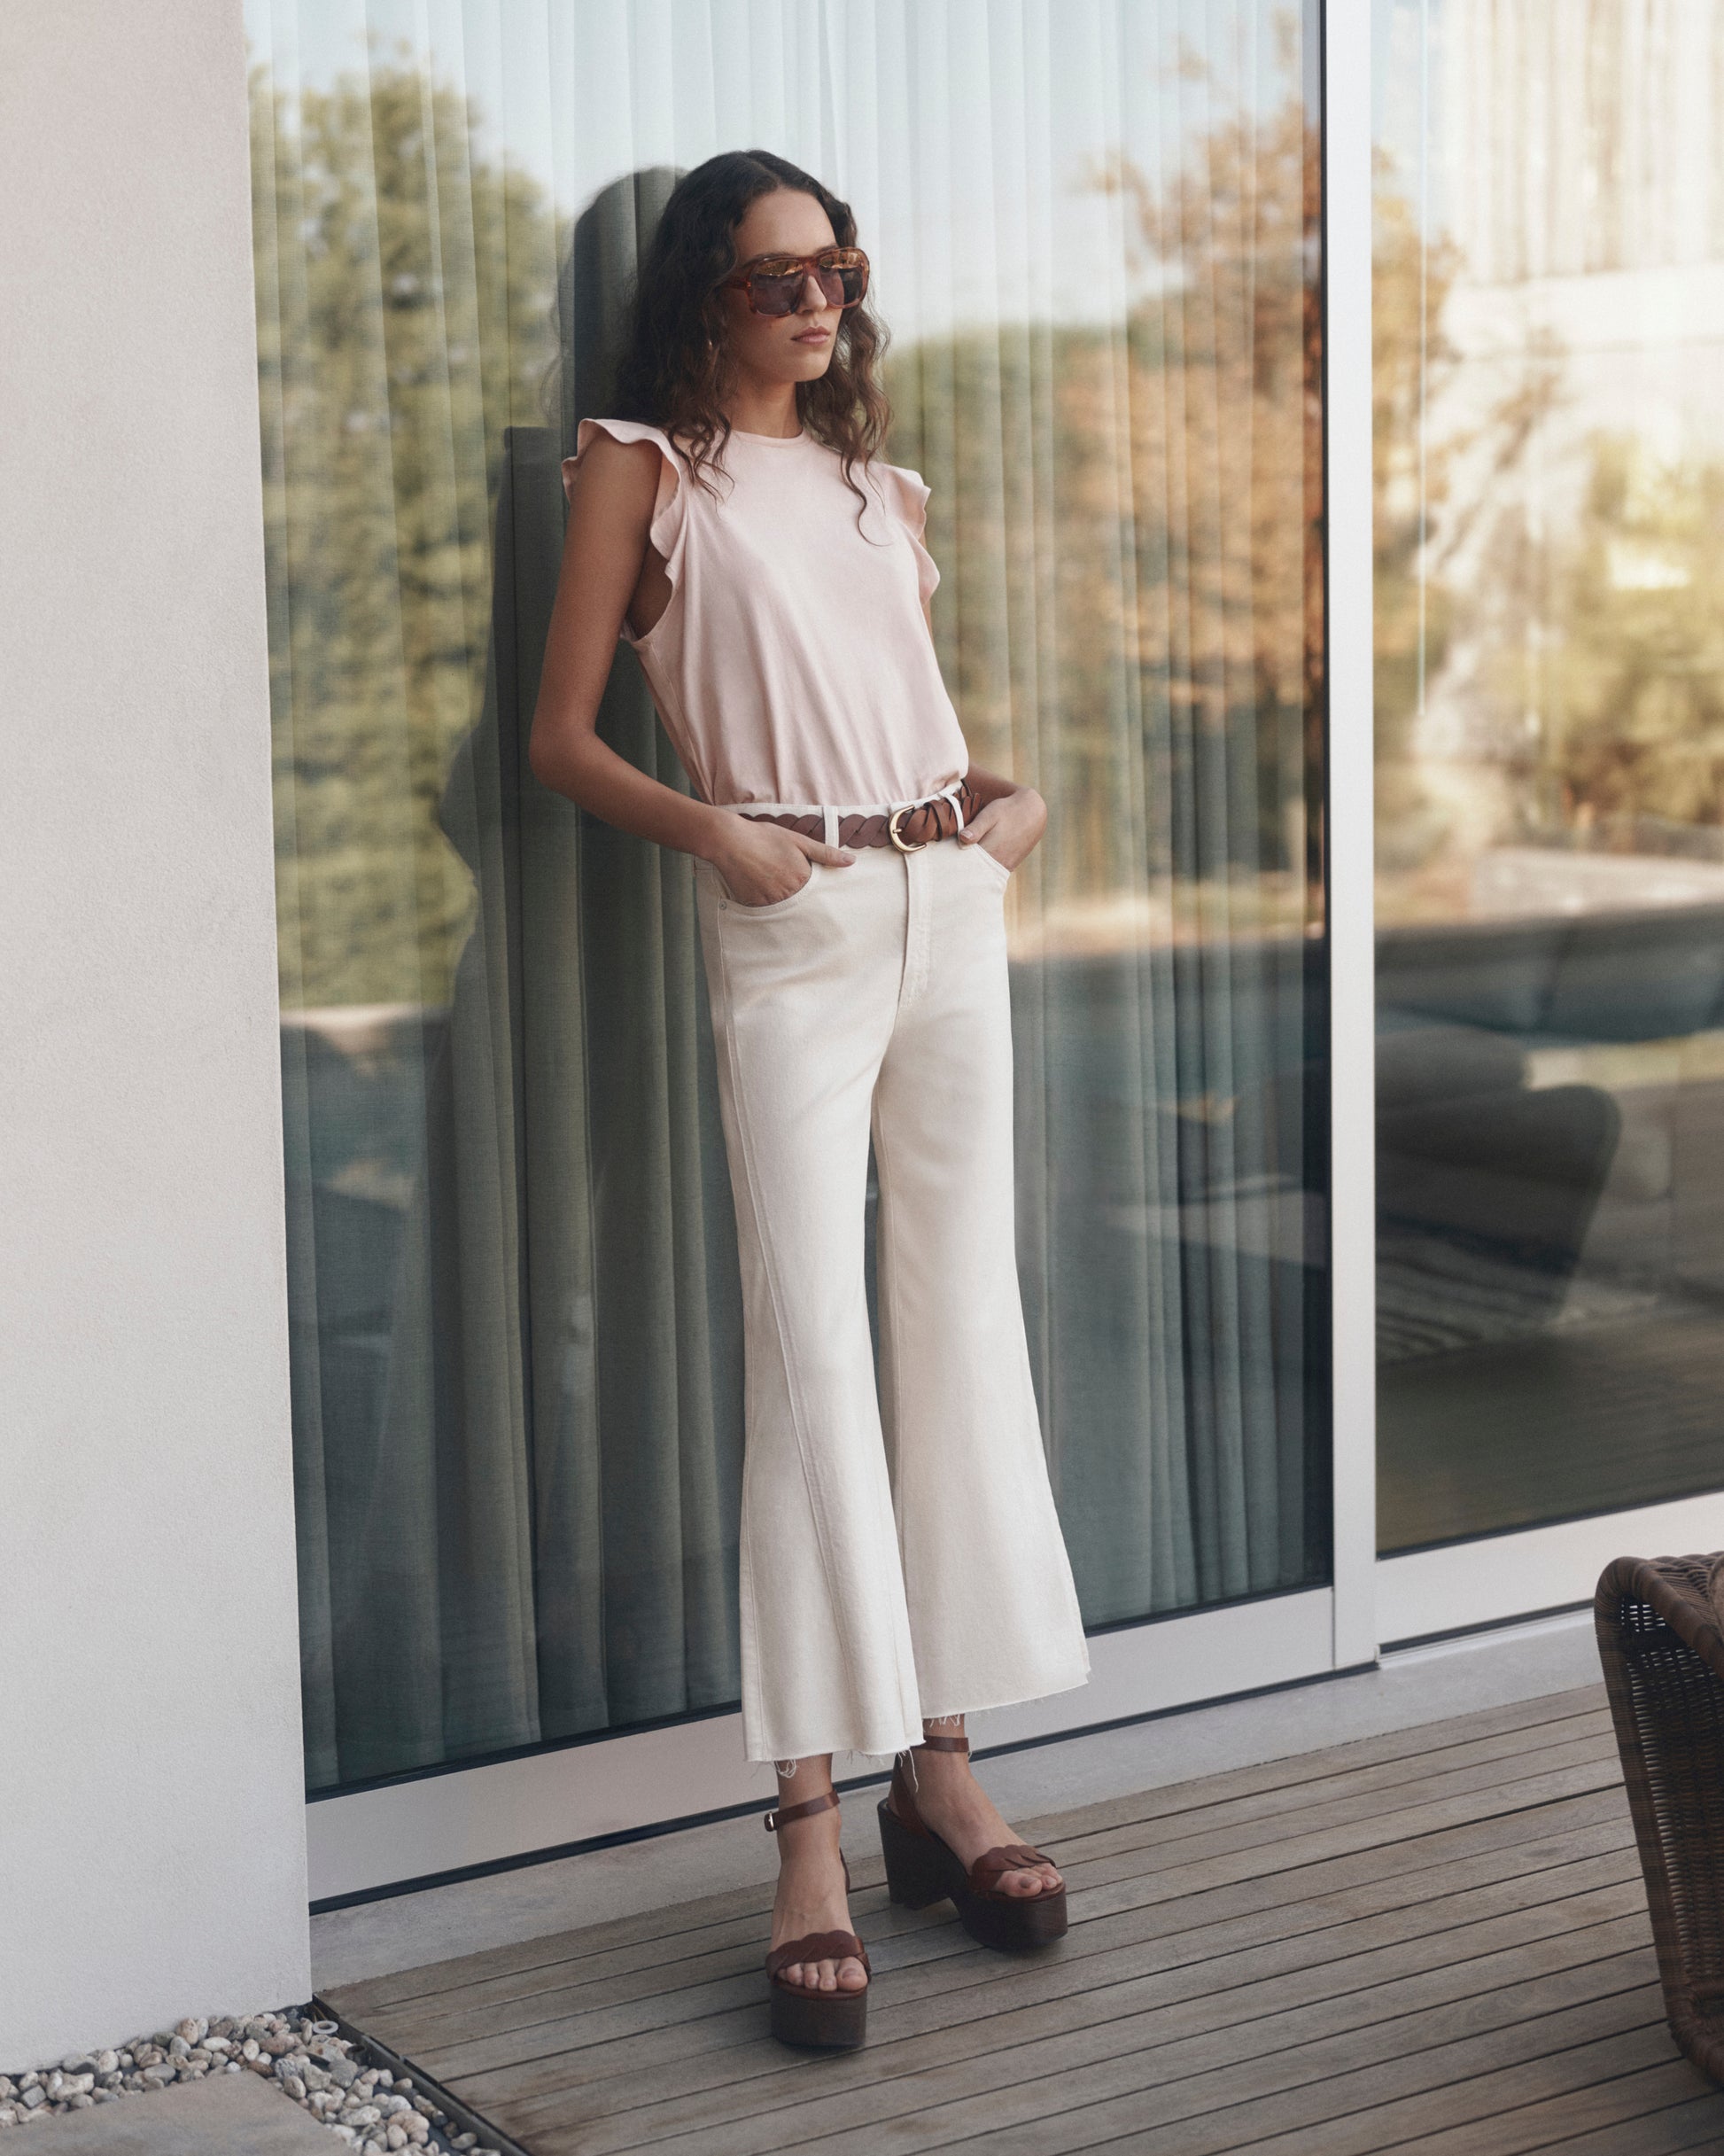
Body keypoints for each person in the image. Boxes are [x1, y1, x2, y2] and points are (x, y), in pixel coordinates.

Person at [528, 148, 1091, 2050]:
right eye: (778, 274)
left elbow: (906, 714)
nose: (816, 300)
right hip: (793, 917)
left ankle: (942, 1770)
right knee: (811, 1361)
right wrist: (719, 836)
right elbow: (559, 740)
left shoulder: (880, 486)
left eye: (836, 268)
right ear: (705, 291)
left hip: (947, 902)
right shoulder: (646, 465)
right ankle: (801, 1829)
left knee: (956, 1328)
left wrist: (1007, 804)